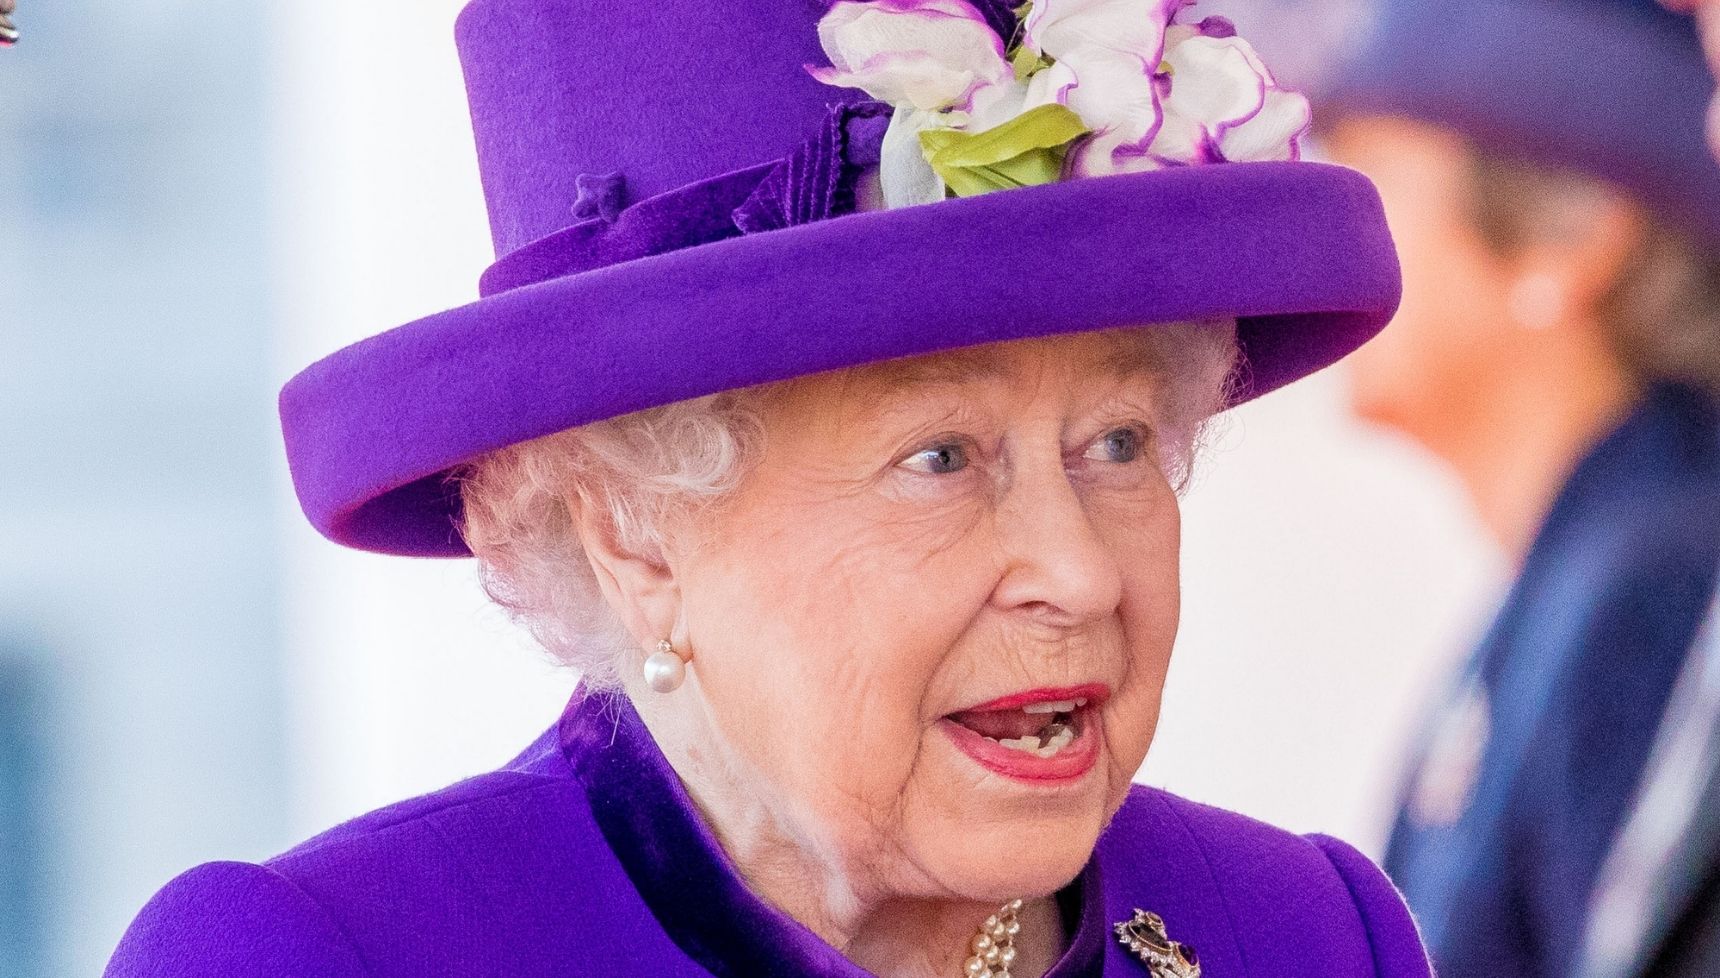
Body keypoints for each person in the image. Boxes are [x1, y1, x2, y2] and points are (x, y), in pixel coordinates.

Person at [104, 1, 1430, 975]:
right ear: (632, 533)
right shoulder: (333, 956)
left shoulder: (1310, 932)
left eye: (1121, 444)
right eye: (942, 457)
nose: (1080, 572)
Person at [1314, 1, 1720, 977]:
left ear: (1567, 242)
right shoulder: (1586, 560)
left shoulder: (1655, 581)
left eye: (1371, 182)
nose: (1325, 240)